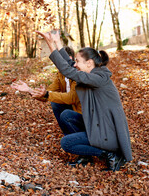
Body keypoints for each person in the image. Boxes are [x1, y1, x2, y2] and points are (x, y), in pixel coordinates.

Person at [35, 30, 132, 171]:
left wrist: (50, 44)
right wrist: (57, 42)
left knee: (66, 143)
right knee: (67, 115)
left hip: (107, 134)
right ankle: (86, 155)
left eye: (78, 61)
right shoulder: (93, 74)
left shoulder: (98, 79)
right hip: (98, 127)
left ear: (89, 63)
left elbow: (68, 70)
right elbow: (69, 65)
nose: (75, 64)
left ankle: (110, 154)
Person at [11, 46, 82, 135]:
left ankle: (79, 137)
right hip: (72, 109)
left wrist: (47, 94)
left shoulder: (79, 75)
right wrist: (29, 90)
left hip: (83, 115)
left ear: (69, 59)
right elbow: (45, 95)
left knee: (66, 113)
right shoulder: (60, 76)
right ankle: (69, 135)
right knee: (56, 104)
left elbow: (71, 98)